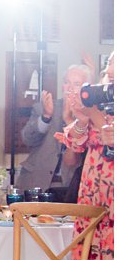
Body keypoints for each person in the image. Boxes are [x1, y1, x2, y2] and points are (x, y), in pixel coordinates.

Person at [56, 54, 113, 260]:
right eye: (107, 73)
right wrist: (81, 118)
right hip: (92, 194)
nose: (108, 81)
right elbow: (71, 159)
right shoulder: (97, 108)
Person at [17, 63, 93, 199]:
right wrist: (46, 117)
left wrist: (69, 119)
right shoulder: (44, 107)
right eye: (66, 83)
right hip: (36, 182)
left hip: (70, 186)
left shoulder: (92, 114)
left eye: (76, 84)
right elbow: (27, 139)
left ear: (86, 88)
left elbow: (82, 154)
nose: (69, 88)